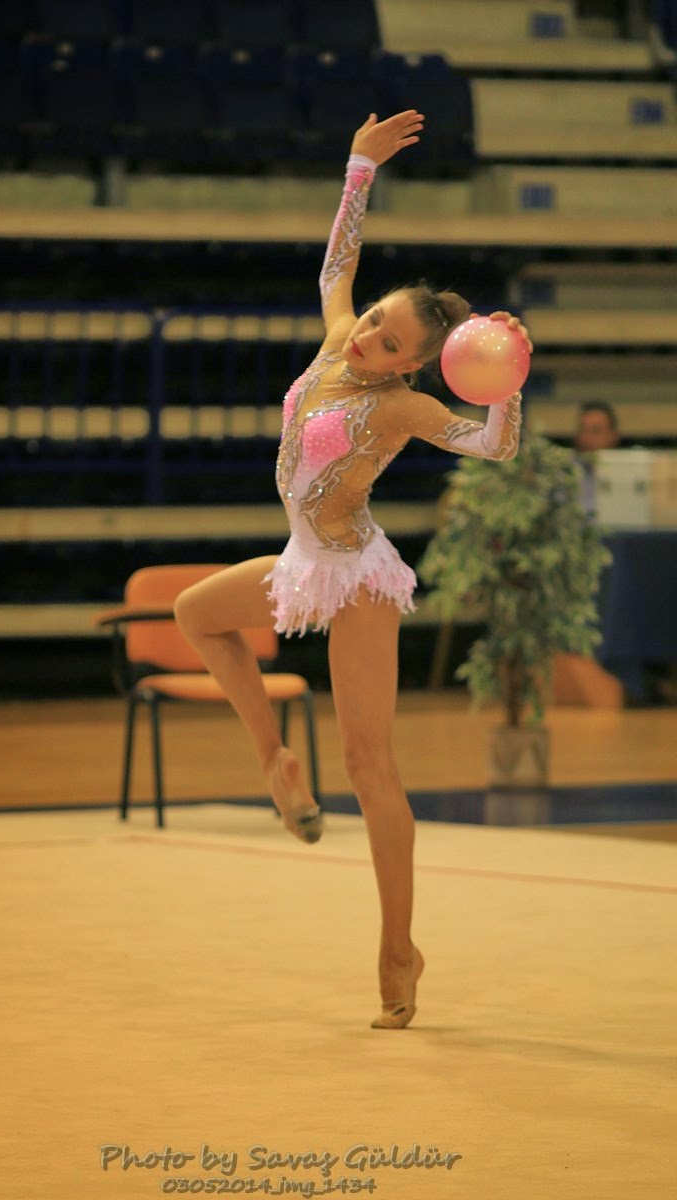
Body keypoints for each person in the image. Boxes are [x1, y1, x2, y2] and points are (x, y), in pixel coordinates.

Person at [174, 109, 532, 1030]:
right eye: (374, 322)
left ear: (414, 365)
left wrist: (506, 383)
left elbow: (491, 446)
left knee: (370, 763)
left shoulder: (404, 407)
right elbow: (337, 270)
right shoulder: (339, 341)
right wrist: (357, 170)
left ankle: (399, 949)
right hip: (304, 559)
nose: (368, 338)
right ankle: (274, 762)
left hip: (358, 576)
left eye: (388, 343)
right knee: (196, 613)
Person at [573, 401, 621, 515]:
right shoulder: (565, 472)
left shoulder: (630, 471)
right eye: (583, 430)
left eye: (595, 431)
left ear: (613, 436)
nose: (587, 437)